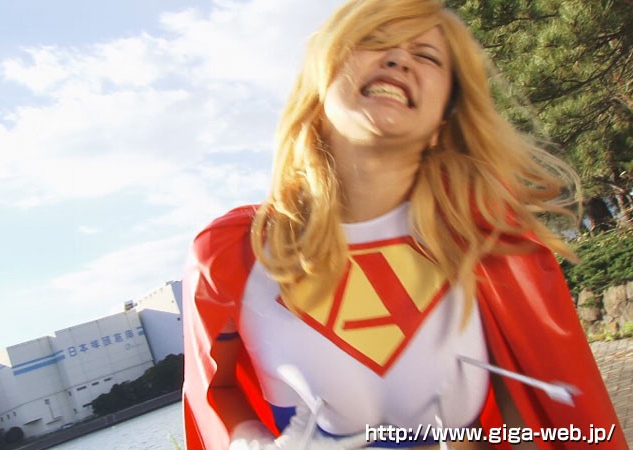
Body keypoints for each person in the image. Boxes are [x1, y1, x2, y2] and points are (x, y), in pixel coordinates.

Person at [182, 0, 627, 449]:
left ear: (442, 119)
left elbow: (533, 409)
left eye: (427, 56)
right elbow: (214, 390)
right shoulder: (229, 253)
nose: (398, 59)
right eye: (374, 41)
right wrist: (249, 441)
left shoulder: (487, 236)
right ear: (320, 80)